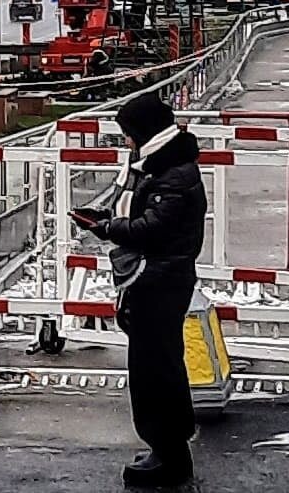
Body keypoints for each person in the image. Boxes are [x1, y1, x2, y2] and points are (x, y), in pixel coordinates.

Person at [80, 92, 206, 488]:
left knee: (156, 370)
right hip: (160, 279)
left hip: (160, 281)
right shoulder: (167, 166)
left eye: (128, 133)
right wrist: (107, 218)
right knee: (157, 365)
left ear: (145, 132)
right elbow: (146, 216)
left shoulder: (171, 174)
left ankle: (169, 456)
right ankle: (165, 448)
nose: (126, 141)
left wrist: (105, 228)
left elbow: (151, 229)